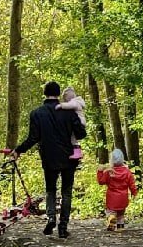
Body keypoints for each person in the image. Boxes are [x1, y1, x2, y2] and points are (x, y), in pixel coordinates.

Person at [11, 81, 86, 238]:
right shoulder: (69, 111)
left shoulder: (37, 113)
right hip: (69, 157)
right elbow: (81, 134)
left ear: (45, 93)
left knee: (50, 189)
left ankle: (51, 217)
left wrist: (18, 150)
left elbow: (33, 138)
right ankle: (63, 227)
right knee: (66, 191)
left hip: (49, 157)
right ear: (59, 94)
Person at [96, 149, 138, 232]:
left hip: (112, 198)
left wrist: (100, 172)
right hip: (123, 198)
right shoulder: (127, 172)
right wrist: (134, 192)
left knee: (110, 212)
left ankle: (111, 218)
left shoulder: (109, 172)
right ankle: (120, 227)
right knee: (121, 214)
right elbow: (132, 184)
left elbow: (101, 182)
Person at [58, 85, 88, 162]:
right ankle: (77, 153)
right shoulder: (78, 101)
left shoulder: (74, 102)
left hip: (79, 122)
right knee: (73, 138)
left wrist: (60, 105)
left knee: (72, 138)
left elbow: (70, 105)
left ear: (69, 97)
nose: (65, 101)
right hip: (80, 122)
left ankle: (77, 153)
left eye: (65, 100)